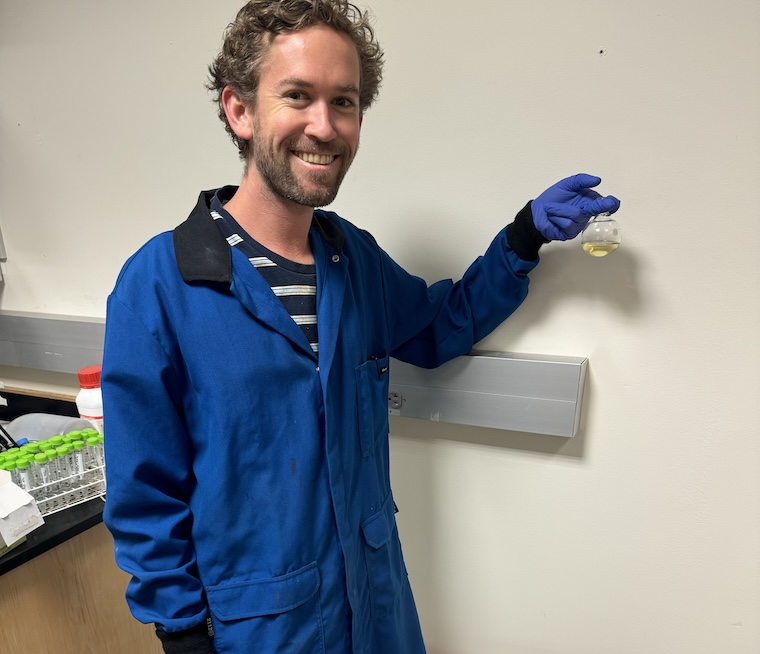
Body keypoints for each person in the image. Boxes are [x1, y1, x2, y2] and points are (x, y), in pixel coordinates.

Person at [101, 1, 620, 653]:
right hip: (262, 633)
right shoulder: (162, 283)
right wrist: (180, 633)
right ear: (240, 110)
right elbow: (144, 492)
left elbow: (439, 327)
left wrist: (523, 236)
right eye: (297, 95)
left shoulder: (354, 260)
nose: (325, 125)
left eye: (343, 102)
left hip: (378, 611)